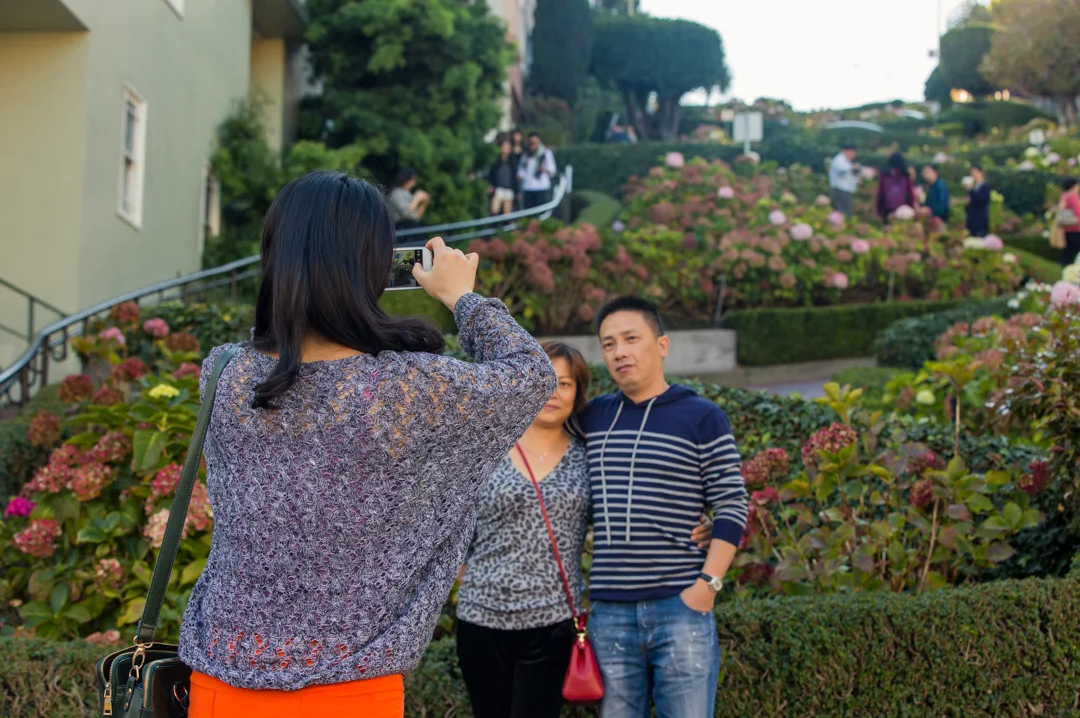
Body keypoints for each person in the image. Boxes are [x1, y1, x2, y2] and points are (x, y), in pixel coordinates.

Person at [177, 171, 557, 717]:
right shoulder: (404, 389)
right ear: (374, 265)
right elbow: (530, 375)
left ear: (275, 255)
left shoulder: (226, 373)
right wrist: (462, 298)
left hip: (221, 685)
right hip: (352, 694)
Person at [456, 342, 714, 718]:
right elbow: (454, 529)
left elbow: (626, 510)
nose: (553, 392)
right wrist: (472, 578)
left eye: (564, 383)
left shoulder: (589, 455)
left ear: (578, 393)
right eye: (544, 380)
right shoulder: (488, 451)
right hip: (482, 620)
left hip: (555, 623)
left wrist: (693, 520)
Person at [574, 297, 749, 718]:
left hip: (680, 607)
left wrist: (708, 585)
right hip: (610, 611)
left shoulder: (702, 416)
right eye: (609, 343)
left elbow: (731, 503)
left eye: (631, 339)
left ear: (662, 344)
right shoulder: (593, 416)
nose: (620, 352)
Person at [518, 133, 557, 210]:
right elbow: (521, 169)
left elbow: (552, 170)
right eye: (530, 143)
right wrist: (520, 176)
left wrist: (544, 169)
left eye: (534, 143)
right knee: (528, 212)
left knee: (540, 211)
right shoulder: (525, 155)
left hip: (541, 187)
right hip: (528, 187)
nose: (532, 145)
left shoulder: (546, 153)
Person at [876, 152, 916, 221]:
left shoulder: (885, 176)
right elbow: (910, 195)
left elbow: (880, 195)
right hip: (902, 211)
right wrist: (911, 208)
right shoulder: (906, 177)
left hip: (887, 210)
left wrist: (879, 212)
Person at [387, 167, 430, 231]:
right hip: (402, 228)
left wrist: (424, 204)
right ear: (406, 178)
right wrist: (417, 198)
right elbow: (406, 213)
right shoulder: (397, 193)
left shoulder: (408, 194)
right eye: (413, 180)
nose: (414, 184)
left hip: (413, 227)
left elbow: (416, 217)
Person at [488, 139, 520, 216]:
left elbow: (515, 178)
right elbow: (491, 174)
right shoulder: (496, 161)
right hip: (498, 189)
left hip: (509, 189)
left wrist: (517, 191)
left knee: (507, 214)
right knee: (494, 210)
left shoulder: (513, 161)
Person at [828, 144, 859, 217]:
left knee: (846, 212)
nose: (854, 155)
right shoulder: (839, 159)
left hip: (846, 191)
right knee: (843, 212)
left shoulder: (846, 161)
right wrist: (853, 168)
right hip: (840, 190)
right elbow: (842, 170)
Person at [1058, 177, 1080, 266]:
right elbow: (1077, 211)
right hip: (1075, 227)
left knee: (1068, 249)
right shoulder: (1072, 195)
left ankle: (1064, 265)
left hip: (1067, 227)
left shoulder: (1065, 195)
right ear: (1073, 186)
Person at [966, 165, 992, 238]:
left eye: (975, 173)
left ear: (981, 173)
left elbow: (981, 200)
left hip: (980, 220)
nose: (973, 175)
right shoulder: (974, 187)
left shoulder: (985, 186)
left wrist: (971, 190)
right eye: (972, 174)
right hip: (971, 220)